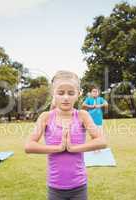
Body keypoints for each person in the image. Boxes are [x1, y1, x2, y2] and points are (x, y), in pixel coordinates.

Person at [25, 70, 107, 200]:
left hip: (79, 186)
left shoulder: (82, 116)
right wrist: (58, 148)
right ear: (53, 93)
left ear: (78, 94)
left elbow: (102, 141)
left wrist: (74, 148)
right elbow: (29, 146)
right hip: (55, 188)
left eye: (71, 93)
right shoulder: (46, 117)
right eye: (60, 93)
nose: (66, 97)